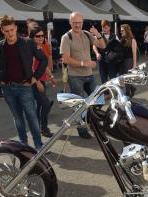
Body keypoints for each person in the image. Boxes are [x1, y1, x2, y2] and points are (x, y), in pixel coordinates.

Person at [0, 15, 47, 149]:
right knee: (18, 118)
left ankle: (38, 146)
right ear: (2, 31)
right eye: (6, 31)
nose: (10, 33)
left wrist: (35, 78)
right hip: (7, 88)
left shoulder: (27, 42)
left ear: (15, 28)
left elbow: (43, 60)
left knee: (31, 116)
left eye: (12, 30)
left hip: (24, 86)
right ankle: (23, 146)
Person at [60, 11, 106, 139]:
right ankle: (82, 130)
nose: (77, 25)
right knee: (79, 106)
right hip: (75, 76)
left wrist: (98, 35)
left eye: (79, 22)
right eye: (74, 22)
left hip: (89, 75)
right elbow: (66, 59)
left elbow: (102, 45)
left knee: (98, 100)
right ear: (70, 22)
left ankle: (92, 122)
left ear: (82, 22)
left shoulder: (86, 34)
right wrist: (84, 63)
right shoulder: (66, 37)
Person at [30, 27, 56, 138]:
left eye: (42, 36)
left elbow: (43, 64)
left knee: (40, 105)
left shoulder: (39, 48)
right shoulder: (31, 49)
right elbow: (30, 68)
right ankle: (43, 128)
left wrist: (51, 76)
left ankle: (38, 128)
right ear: (32, 37)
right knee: (45, 104)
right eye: (38, 36)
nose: (41, 38)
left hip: (42, 80)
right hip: (35, 82)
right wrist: (37, 82)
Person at [119, 24, 138, 97]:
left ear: (127, 30)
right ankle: (132, 88)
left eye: (122, 30)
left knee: (127, 78)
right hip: (122, 61)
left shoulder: (132, 40)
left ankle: (127, 94)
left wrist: (134, 65)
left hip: (129, 61)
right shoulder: (122, 39)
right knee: (122, 78)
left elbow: (134, 53)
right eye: (120, 30)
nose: (121, 32)